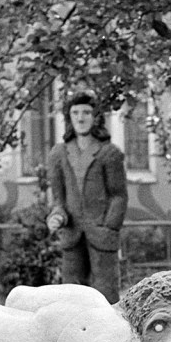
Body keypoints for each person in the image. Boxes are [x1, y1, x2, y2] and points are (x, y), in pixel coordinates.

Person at [46, 90, 128, 303]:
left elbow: (118, 195)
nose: (80, 118)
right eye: (75, 113)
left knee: (105, 292)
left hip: (101, 234)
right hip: (72, 233)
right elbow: (58, 199)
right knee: (72, 293)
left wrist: (109, 226)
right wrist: (57, 216)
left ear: (96, 117)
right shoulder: (59, 154)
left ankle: (107, 334)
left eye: (86, 112)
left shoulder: (109, 153)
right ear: (69, 118)